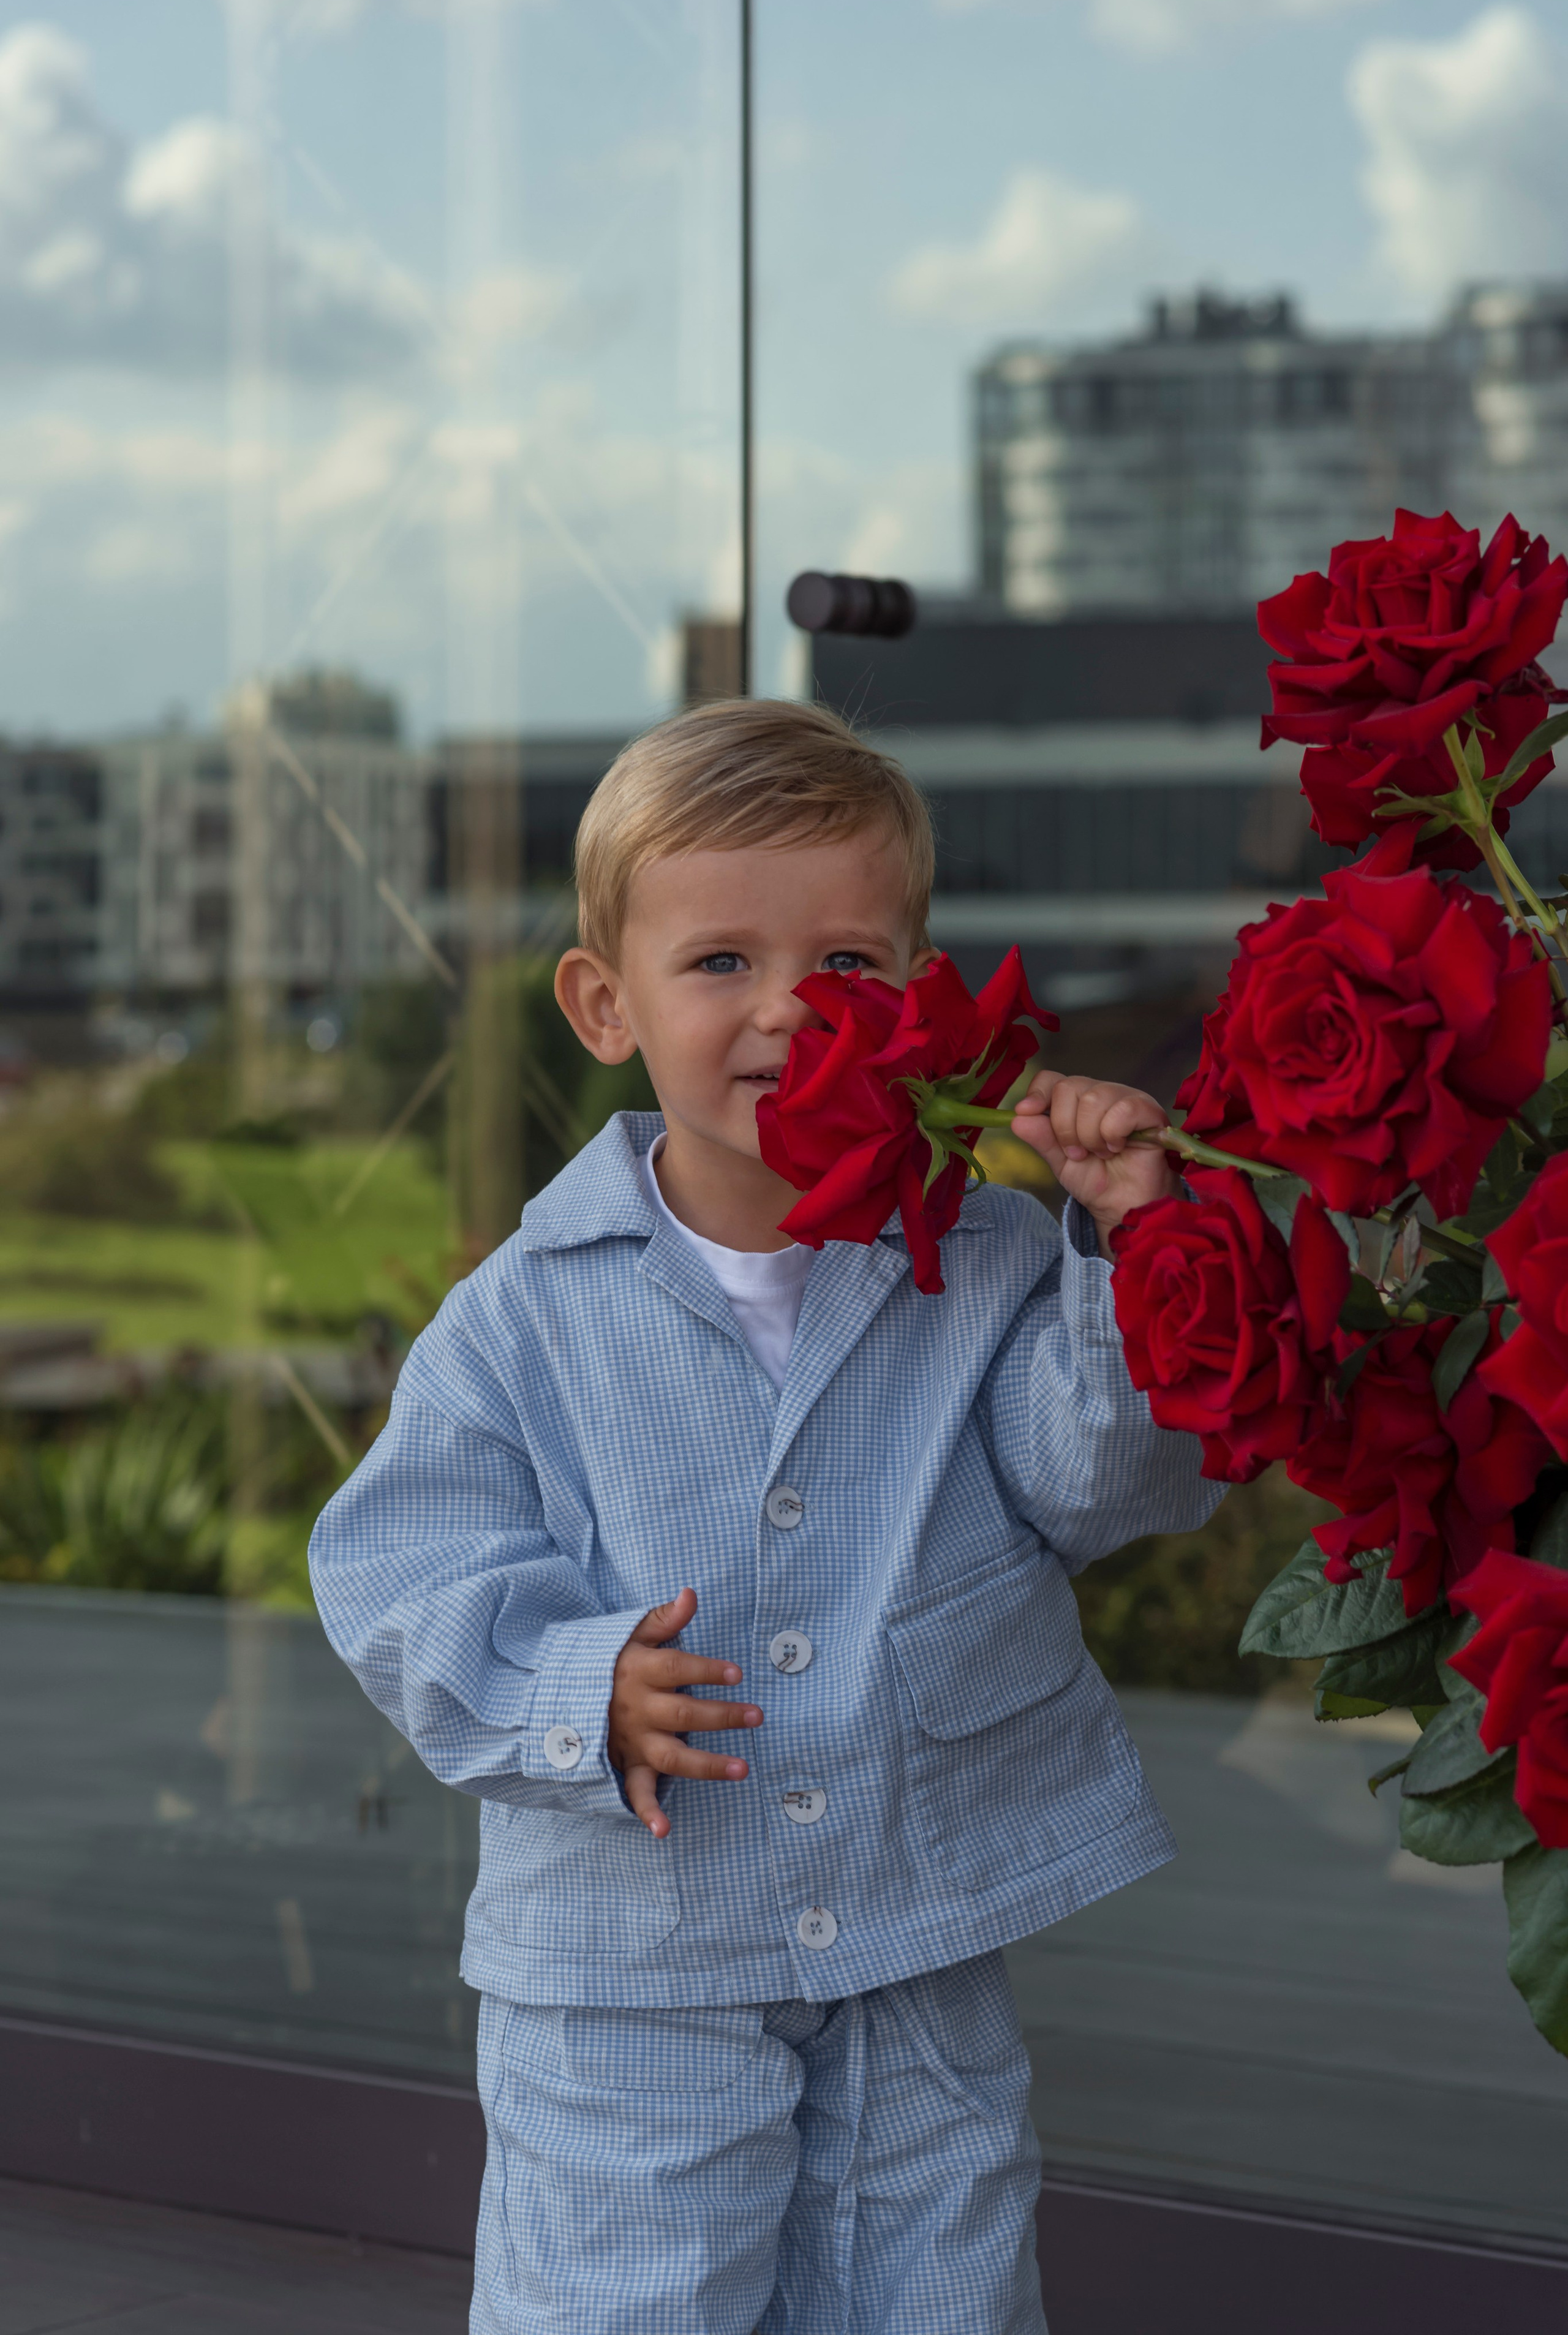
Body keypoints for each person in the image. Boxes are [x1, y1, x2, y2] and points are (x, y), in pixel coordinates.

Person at [309, 698, 1221, 2335]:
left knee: (939, 2288)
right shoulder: (525, 1316)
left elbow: (1105, 1484)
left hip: (909, 1931)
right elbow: (400, 1570)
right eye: (720, 961)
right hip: (631, 1967)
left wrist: (1127, 1244)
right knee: (622, 2301)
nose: (793, 1009)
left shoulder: (996, 1265)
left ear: (919, 1004)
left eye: (851, 968)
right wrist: (573, 1687)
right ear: (605, 1004)